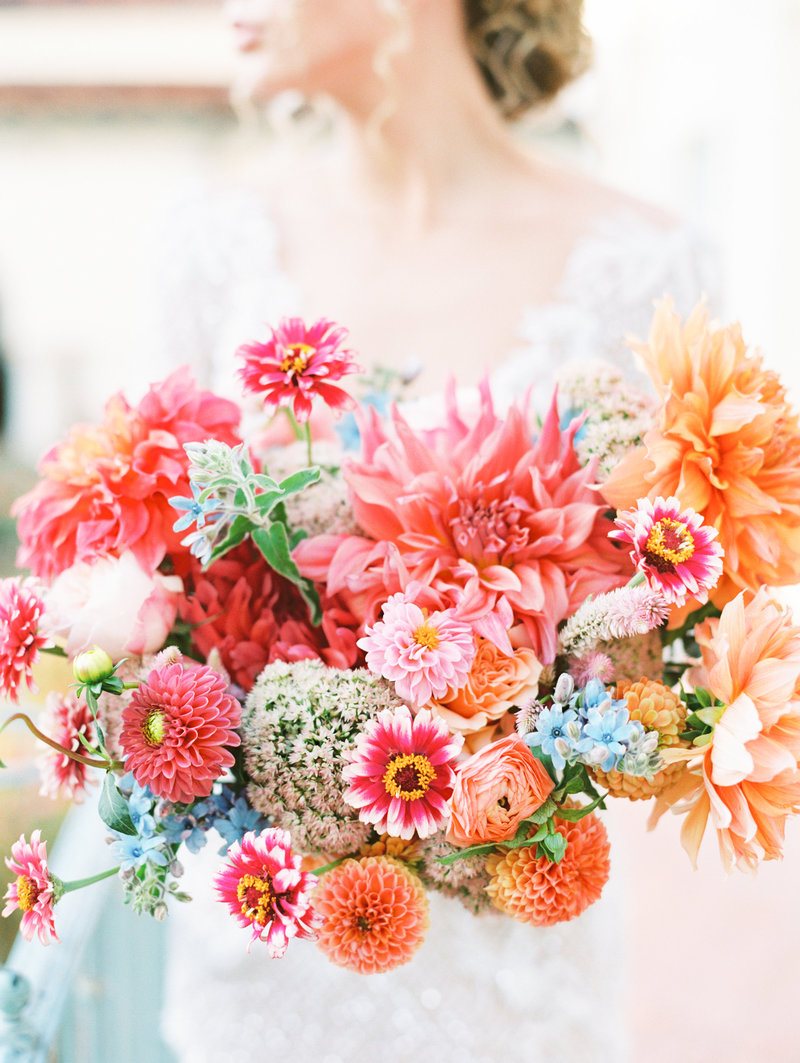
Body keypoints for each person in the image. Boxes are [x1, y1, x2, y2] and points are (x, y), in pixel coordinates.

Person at [154, 2, 712, 1061]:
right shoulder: (214, 244)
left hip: (511, 951)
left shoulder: (644, 264)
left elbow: (683, 602)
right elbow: (163, 551)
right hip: (266, 942)